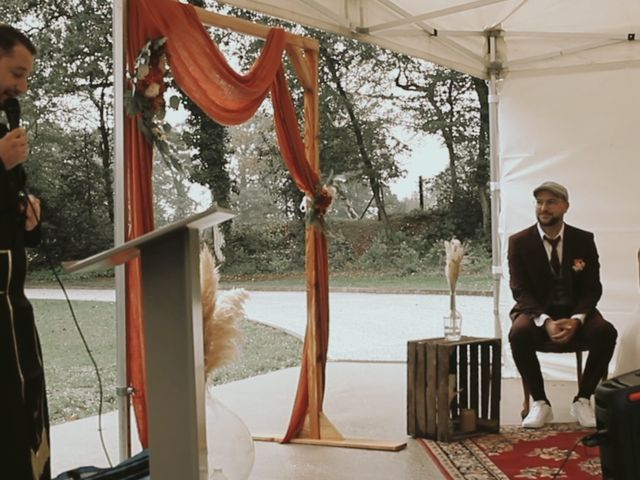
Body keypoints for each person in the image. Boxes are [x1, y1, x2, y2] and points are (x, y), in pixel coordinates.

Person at [508, 181, 617, 429]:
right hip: (535, 312)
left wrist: (577, 319)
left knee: (605, 332)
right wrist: (545, 321)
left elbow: (592, 288)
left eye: (551, 202)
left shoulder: (584, 240)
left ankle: (582, 399)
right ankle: (540, 402)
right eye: (540, 202)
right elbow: (520, 289)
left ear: (566, 207)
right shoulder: (519, 242)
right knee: (519, 333)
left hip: (575, 311)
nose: (544, 208)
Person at [0, 25, 50, 479]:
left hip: (13, 303)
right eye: (17, 73)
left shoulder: (3, 124)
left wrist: (27, 213)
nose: (22, 86)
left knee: (24, 403)